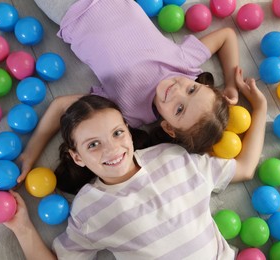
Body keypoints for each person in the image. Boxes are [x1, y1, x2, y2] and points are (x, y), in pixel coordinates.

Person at [4, 68, 267, 259]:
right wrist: (22, 227)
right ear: (77, 157)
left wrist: (261, 108)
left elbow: (245, 167)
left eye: (117, 133)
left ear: (129, 132)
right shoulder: (89, 209)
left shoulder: (173, 157)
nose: (112, 149)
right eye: (93, 145)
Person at [16, 0, 240, 182]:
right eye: (192, 89)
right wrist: (231, 83)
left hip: (70, 10)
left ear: (169, 128)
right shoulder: (186, 64)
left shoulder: (127, 111)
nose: (177, 91)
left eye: (179, 109)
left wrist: (31, 152)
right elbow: (227, 36)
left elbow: (61, 106)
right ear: (201, 83)